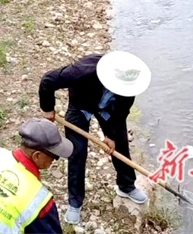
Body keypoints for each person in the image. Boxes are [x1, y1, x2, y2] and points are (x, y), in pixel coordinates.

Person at [40, 51, 152, 225]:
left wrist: (111, 136)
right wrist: (48, 108)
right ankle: (75, 202)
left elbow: (122, 111)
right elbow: (48, 81)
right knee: (77, 152)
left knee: (121, 145)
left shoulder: (130, 84)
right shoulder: (83, 71)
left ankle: (126, 186)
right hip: (81, 105)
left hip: (108, 108)